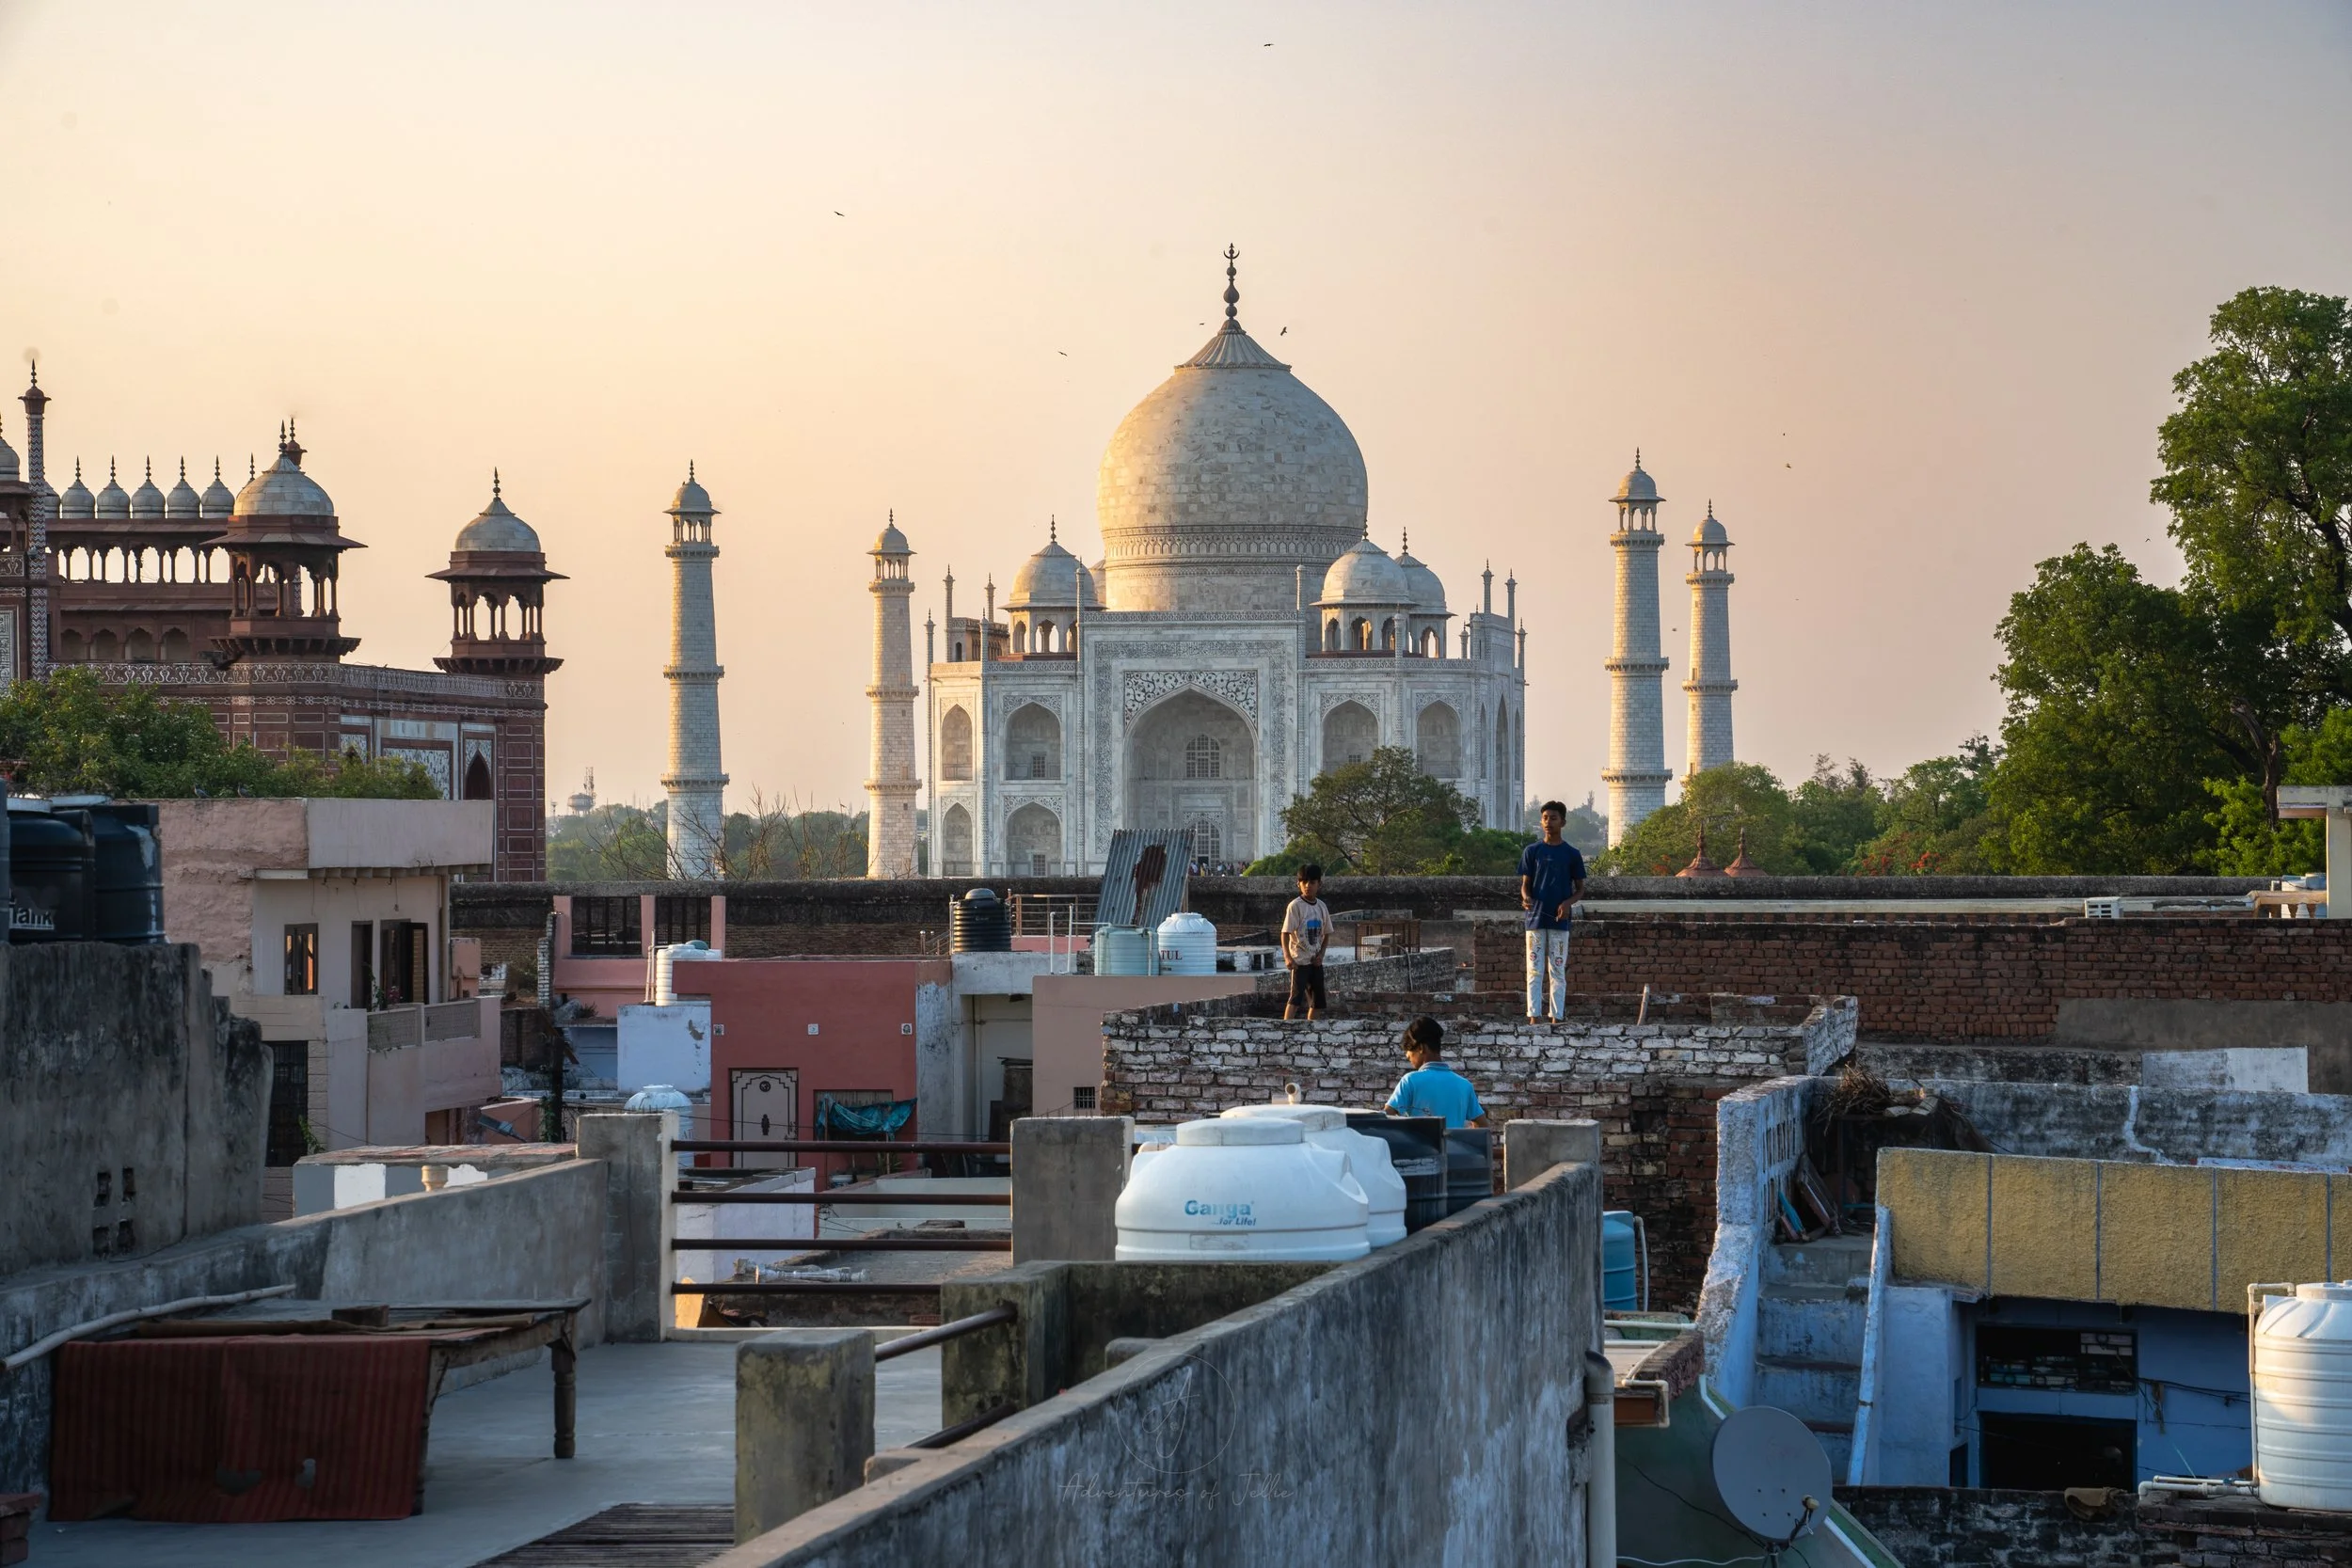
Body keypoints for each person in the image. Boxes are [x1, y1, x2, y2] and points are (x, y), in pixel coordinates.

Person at [1520, 800, 1586, 1024]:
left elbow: (1580, 890)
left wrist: (1567, 904)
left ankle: (1556, 1016)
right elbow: (1525, 884)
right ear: (1541, 821)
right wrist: (1526, 897)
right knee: (1534, 970)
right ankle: (1533, 1016)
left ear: (1563, 822)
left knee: (1557, 970)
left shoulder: (1572, 854)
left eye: (1554, 818)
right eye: (1545, 818)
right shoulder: (1532, 851)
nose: (1549, 822)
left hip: (1560, 921)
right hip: (1535, 919)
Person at [1385, 1016, 1488, 1128]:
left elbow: (1385, 1118)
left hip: (1419, 1145)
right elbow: (1482, 1127)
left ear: (1420, 1048)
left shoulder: (1410, 1081)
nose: (1407, 1056)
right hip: (1453, 1146)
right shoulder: (1464, 1085)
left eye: (1409, 1050)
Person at [1280, 863, 1331, 1020]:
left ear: (1319, 884)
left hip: (1315, 961)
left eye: (1312, 882)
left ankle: (1310, 1031)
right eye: (1304, 882)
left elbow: (1327, 933)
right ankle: (1286, 1029)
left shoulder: (1321, 907)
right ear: (1299, 884)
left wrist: (1321, 955)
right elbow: (1285, 933)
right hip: (1299, 961)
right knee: (1295, 998)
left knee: (1317, 1002)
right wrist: (1288, 958)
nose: (1308, 886)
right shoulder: (1295, 906)